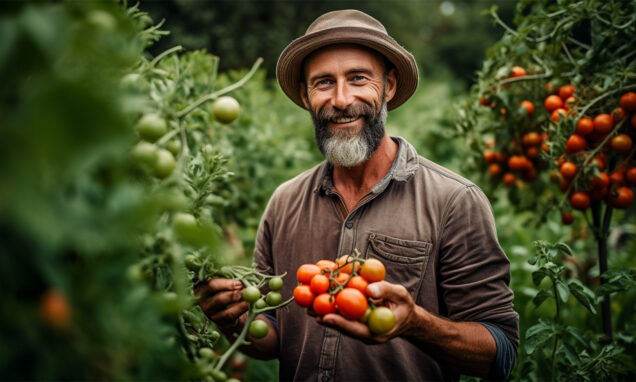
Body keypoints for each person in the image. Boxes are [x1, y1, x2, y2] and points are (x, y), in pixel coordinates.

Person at [195, 9, 519, 381]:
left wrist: (416, 324)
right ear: (305, 96)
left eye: (358, 78)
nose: (341, 99)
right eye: (323, 83)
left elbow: (501, 351)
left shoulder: (453, 200)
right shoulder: (284, 202)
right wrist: (235, 319)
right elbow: (272, 337)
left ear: (389, 86)